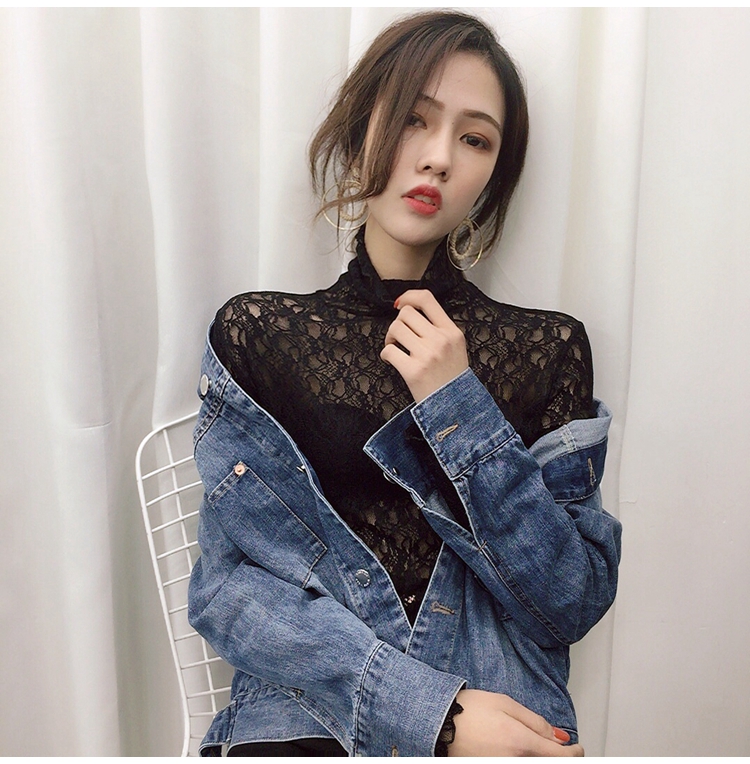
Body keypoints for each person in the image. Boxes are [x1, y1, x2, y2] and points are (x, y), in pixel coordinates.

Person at [188, 10, 621, 757]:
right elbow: (229, 594)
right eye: (415, 120)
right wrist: (435, 716)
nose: (439, 158)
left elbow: (569, 600)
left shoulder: (544, 348)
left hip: (503, 726)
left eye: (475, 139)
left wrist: (459, 407)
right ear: (363, 131)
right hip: (310, 724)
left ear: (493, 176)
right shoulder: (260, 334)